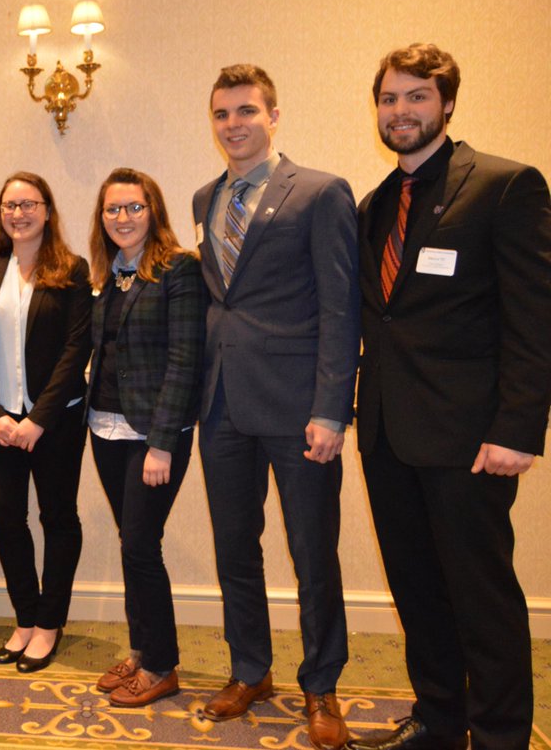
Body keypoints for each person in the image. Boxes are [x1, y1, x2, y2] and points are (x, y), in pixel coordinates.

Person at [347, 44, 551, 750]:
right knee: (417, 589)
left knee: (481, 598)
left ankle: (499, 736)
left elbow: (534, 317)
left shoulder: (504, 185)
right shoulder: (375, 204)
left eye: (417, 96)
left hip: (470, 439)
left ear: (448, 103)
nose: (400, 111)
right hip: (385, 432)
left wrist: (519, 426)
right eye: (389, 98)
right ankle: (438, 720)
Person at [193, 65, 359, 749]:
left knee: (312, 552)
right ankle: (250, 670)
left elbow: (341, 307)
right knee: (235, 547)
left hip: (299, 411)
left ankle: (321, 684)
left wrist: (332, 409)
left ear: (274, 115)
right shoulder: (205, 196)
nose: (234, 124)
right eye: (222, 113)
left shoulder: (319, 192)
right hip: (221, 404)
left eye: (246, 111)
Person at [85, 168, 206, 706]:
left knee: (140, 545)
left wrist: (162, 443)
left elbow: (184, 360)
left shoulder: (179, 269)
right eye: (113, 209)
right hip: (105, 426)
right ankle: (141, 649)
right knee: (131, 545)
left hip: (153, 435)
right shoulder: (110, 274)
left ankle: (160, 664)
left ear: (153, 210)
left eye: (134, 207)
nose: (123, 217)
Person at [0, 172, 92, 674]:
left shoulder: (71, 269)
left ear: (47, 210)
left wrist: (38, 419)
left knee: (57, 518)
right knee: (5, 519)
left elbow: (76, 349)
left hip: (54, 422)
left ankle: (49, 623)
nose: (18, 214)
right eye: (9, 205)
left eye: (28, 204)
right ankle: (25, 618)